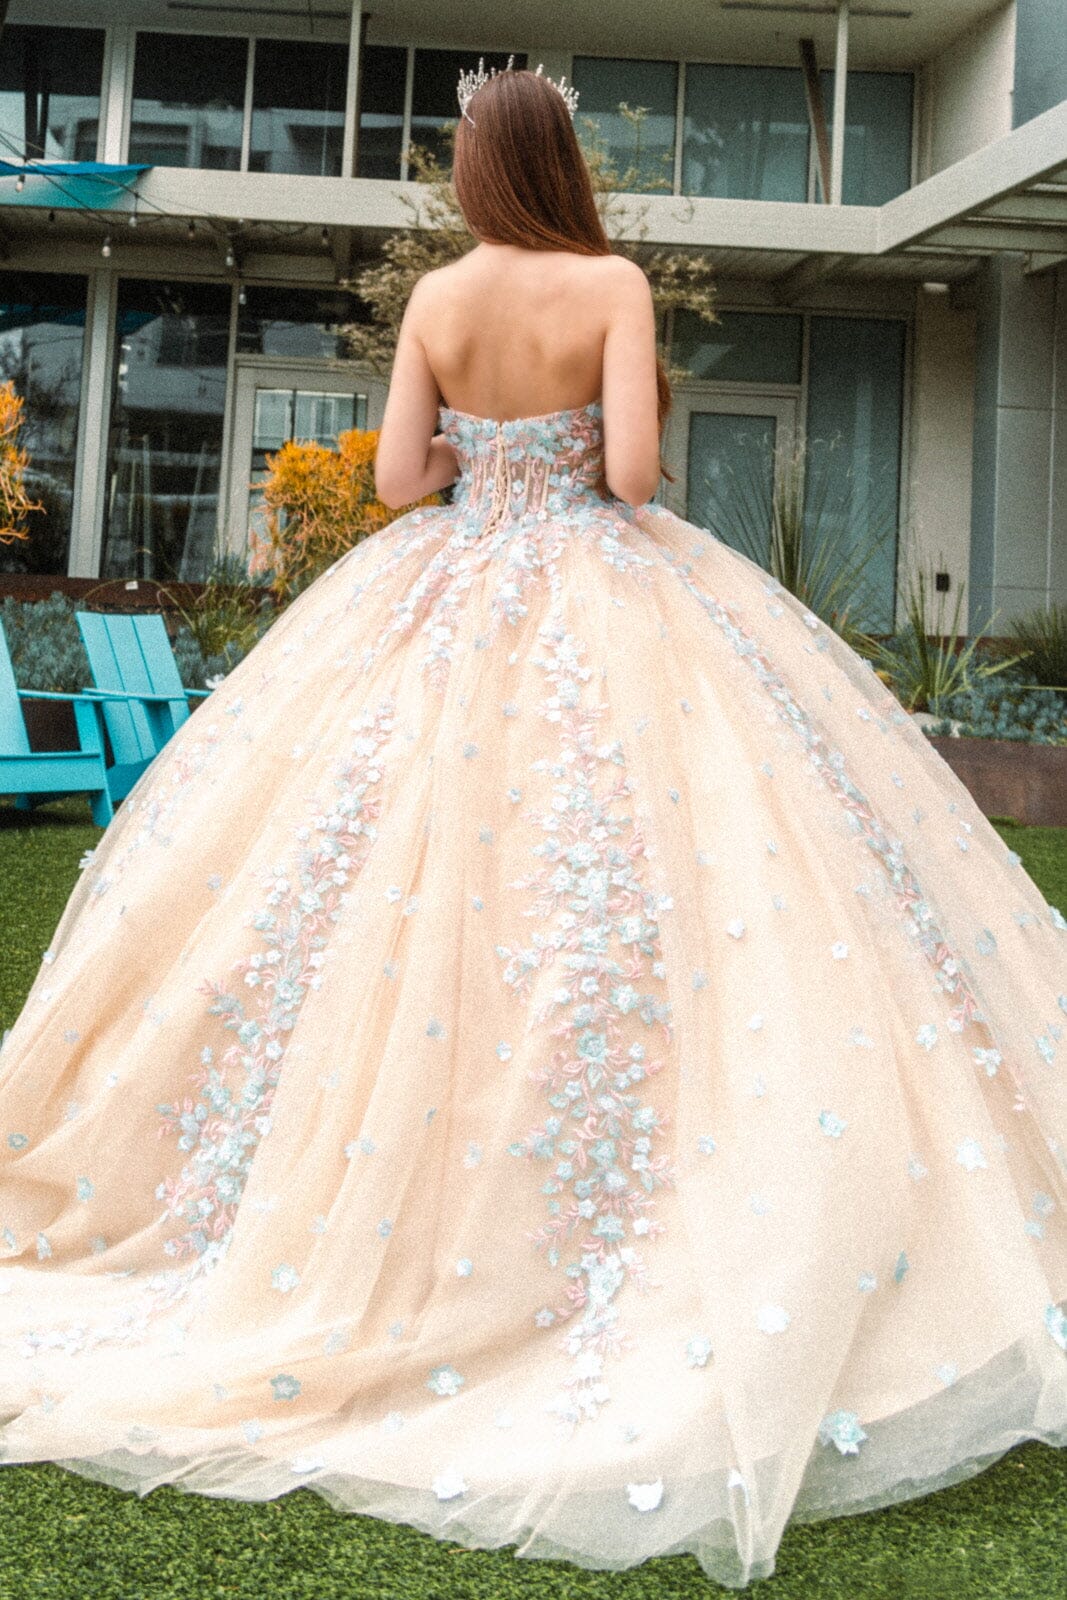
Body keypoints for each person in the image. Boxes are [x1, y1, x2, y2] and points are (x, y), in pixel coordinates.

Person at [0, 61, 1064, 1594]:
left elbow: (391, 482)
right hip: (599, 593)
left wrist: (466, 457)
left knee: (388, 888)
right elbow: (628, 472)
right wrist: (590, 447)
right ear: (562, 159)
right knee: (651, 882)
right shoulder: (610, 284)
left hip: (446, 597)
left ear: (475, 169)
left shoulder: (439, 298)